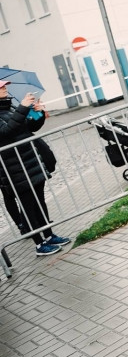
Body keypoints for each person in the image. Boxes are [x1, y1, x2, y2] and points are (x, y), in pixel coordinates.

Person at [0, 82, 70, 256]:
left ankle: (49, 235)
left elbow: (28, 128)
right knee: (28, 206)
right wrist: (22, 108)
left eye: (4, 86)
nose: (4, 88)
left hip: (30, 161)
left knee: (39, 201)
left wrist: (37, 114)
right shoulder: (12, 109)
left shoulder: (9, 107)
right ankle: (39, 244)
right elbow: (5, 132)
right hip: (14, 167)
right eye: (0, 87)